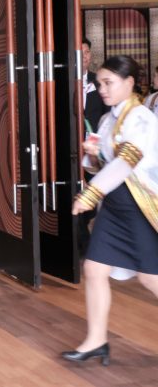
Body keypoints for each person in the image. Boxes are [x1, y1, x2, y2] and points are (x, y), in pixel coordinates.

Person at [63, 55, 158, 365]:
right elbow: (101, 166)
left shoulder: (141, 118)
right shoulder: (107, 120)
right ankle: (96, 341)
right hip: (115, 207)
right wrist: (92, 155)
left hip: (139, 206)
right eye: (100, 83)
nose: (101, 89)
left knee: (151, 278)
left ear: (129, 83)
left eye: (108, 83)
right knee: (94, 269)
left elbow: (126, 163)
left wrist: (90, 194)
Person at [79, 38, 109, 254]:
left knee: (94, 193)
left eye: (87, 52)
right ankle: (83, 245)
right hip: (70, 150)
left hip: (94, 150)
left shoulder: (99, 83)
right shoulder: (59, 81)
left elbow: (106, 116)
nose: (84, 56)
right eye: (80, 52)